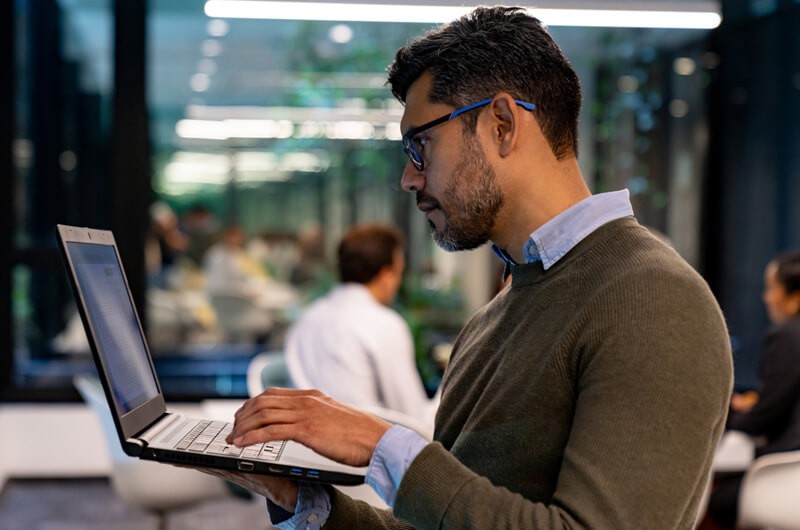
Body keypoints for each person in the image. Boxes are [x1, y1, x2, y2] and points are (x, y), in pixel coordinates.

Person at [200, 7, 733, 528]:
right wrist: (305, 504)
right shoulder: (497, 314)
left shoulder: (654, 298)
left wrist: (382, 443)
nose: (410, 178)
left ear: (501, 123)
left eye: (420, 145)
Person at [285, 224, 438, 426]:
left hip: (301, 444)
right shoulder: (384, 324)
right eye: (398, 273)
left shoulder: (307, 318)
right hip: (362, 448)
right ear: (386, 275)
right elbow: (416, 421)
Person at [707, 250, 800, 529]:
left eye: (772, 289)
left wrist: (733, 417)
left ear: (795, 296)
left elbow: (767, 413)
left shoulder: (787, 336)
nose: (767, 298)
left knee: (716, 498)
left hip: (784, 483)